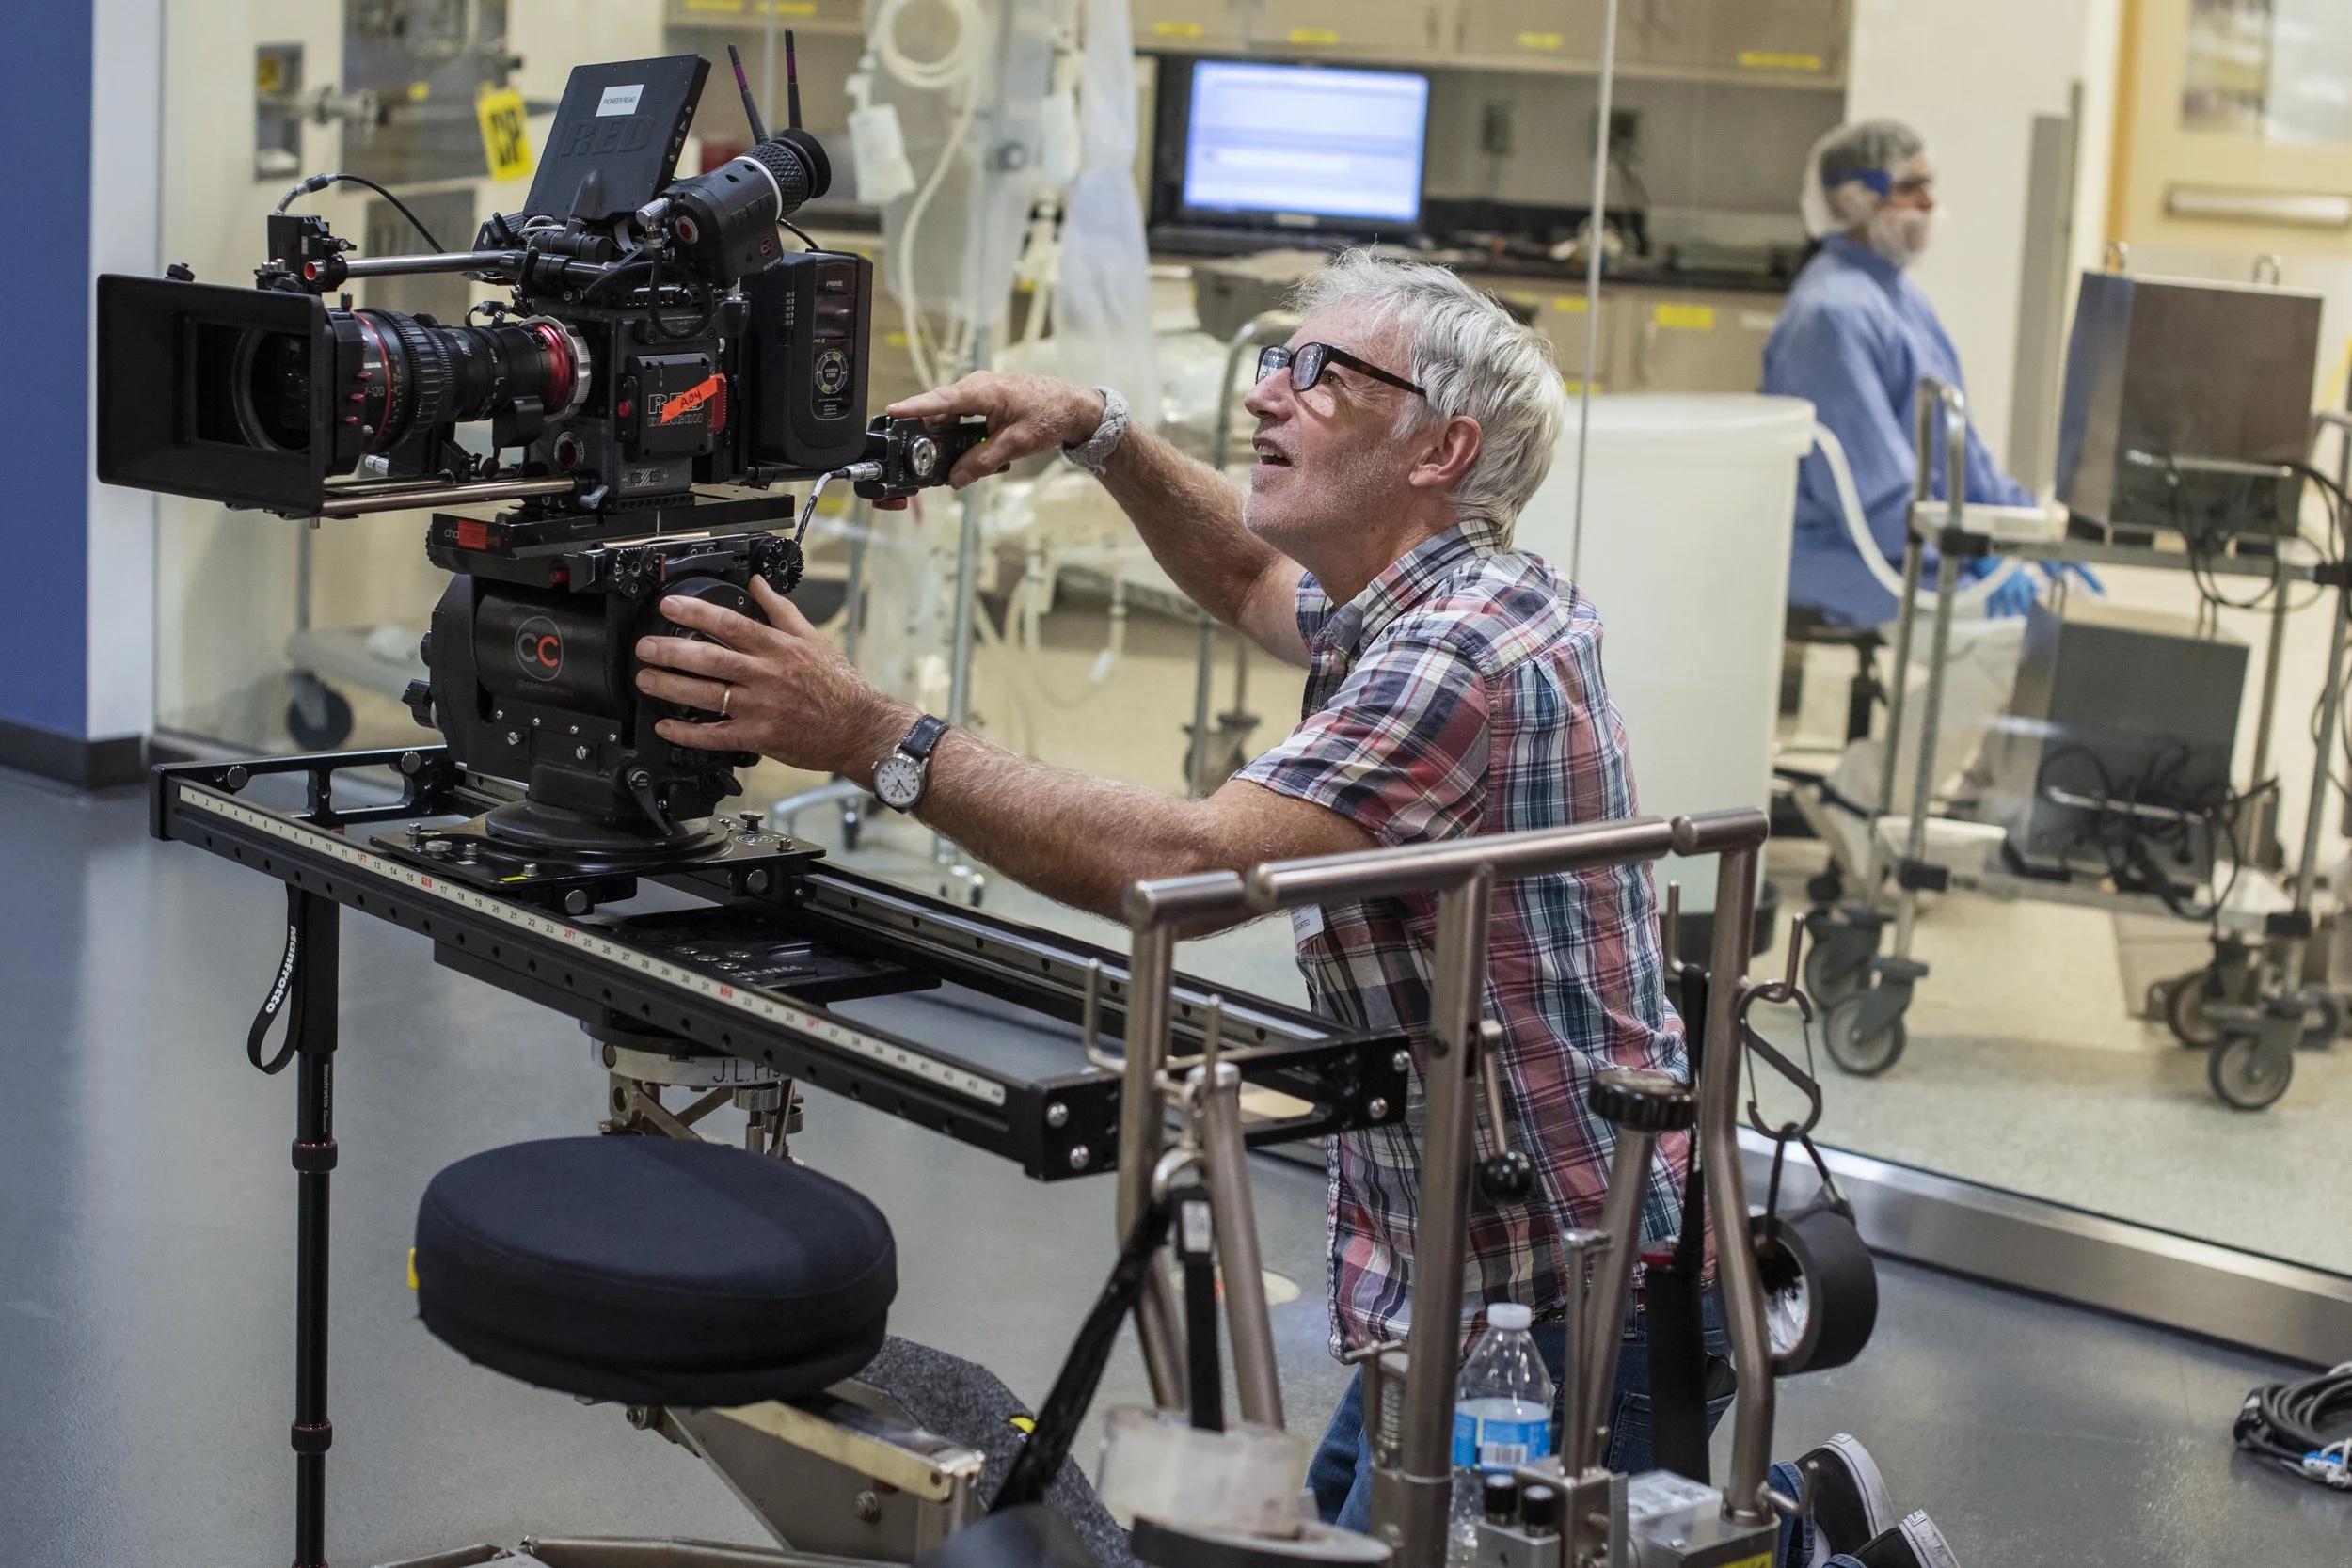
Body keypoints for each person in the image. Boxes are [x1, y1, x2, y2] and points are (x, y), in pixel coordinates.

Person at [634, 252, 1723, 1523]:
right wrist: (1094, 430)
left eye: (1324, 373)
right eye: (1279, 360)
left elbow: (1189, 867)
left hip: (1554, 1313)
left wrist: (872, 735)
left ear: (1442, 449)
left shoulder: (1458, 653)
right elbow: (1255, 581)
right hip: (1471, 1278)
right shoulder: (1434, 593)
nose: (1266, 393)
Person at [1764, 119, 2047, 629]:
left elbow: (1962, 454)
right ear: (1852, 199)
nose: (1929, 203)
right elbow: (1875, 499)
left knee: (2057, 604)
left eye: (1929, 184)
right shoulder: (1833, 315)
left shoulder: (1898, 295)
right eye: (1910, 187)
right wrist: (1970, 556)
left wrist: (2029, 533)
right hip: (1844, 557)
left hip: (1915, 544)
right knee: (2021, 637)